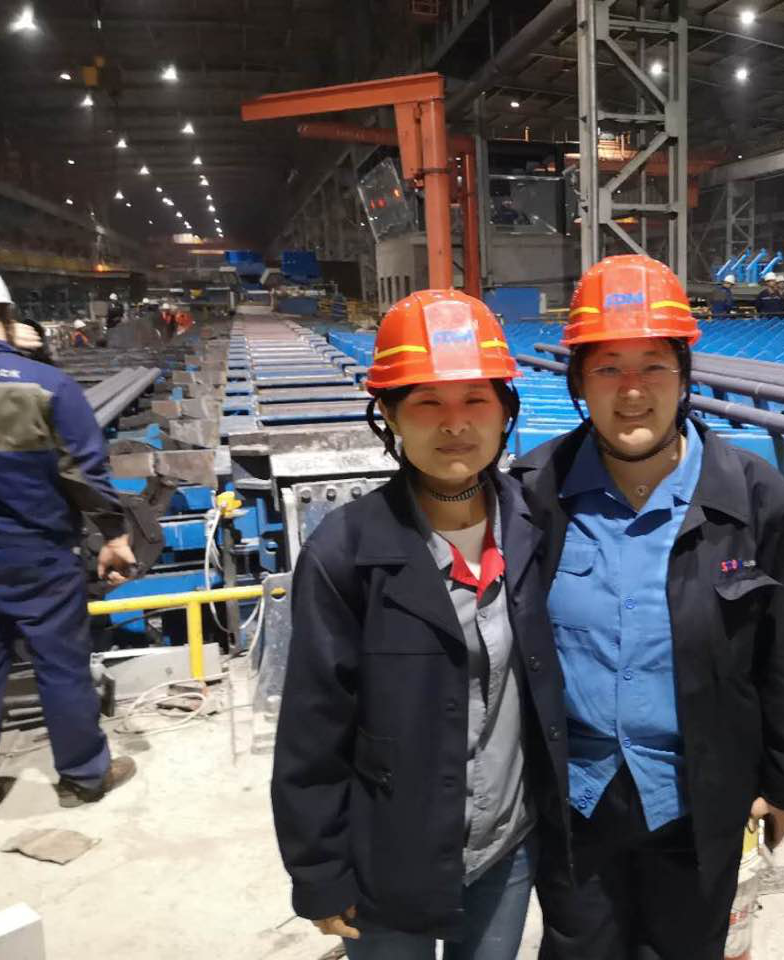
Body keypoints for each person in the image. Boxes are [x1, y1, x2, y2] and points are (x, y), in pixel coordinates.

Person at [513, 254, 784, 960]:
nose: (632, 390)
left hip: (700, 797)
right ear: (578, 382)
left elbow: (783, 650)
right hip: (576, 799)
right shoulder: (534, 492)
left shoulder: (752, 496)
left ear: (684, 376)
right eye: (607, 367)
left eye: (653, 366)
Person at [271, 289, 569, 960]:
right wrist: (319, 871)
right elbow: (313, 730)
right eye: (428, 402)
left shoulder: (536, 528)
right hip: (388, 857)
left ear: (506, 410)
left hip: (505, 845)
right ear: (390, 415)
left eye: (475, 400)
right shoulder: (346, 553)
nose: (455, 424)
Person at [0, 266, 138, 808]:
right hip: (38, 554)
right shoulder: (46, 385)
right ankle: (83, 776)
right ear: (8, 316)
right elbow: (84, 472)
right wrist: (115, 534)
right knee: (60, 664)